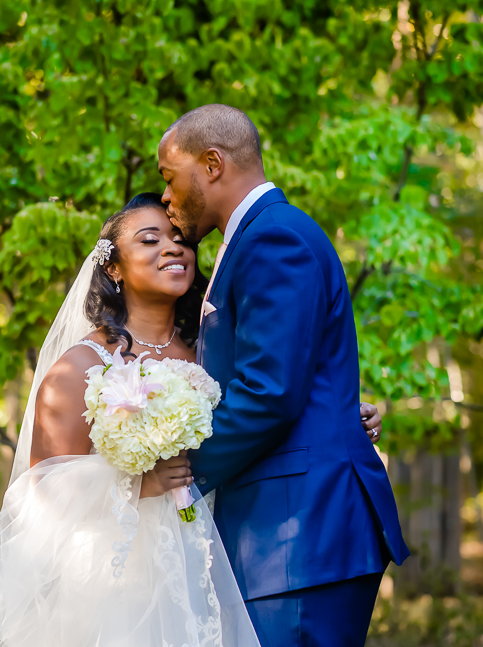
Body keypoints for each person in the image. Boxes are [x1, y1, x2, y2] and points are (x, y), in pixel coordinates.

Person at [0, 193, 385, 646]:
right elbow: (41, 494)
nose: (173, 248)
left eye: (180, 239)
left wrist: (336, 422)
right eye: (150, 240)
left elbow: (263, 410)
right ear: (113, 267)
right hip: (117, 591)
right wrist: (138, 484)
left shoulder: (211, 354)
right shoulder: (79, 367)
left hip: (217, 571)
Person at [157, 104, 410, 647]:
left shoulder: (275, 240)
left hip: (300, 535)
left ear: (212, 163)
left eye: (169, 177)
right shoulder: (256, 238)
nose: (166, 196)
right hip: (284, 534)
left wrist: (176, 471)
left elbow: (270, 391)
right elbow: (300, 374)